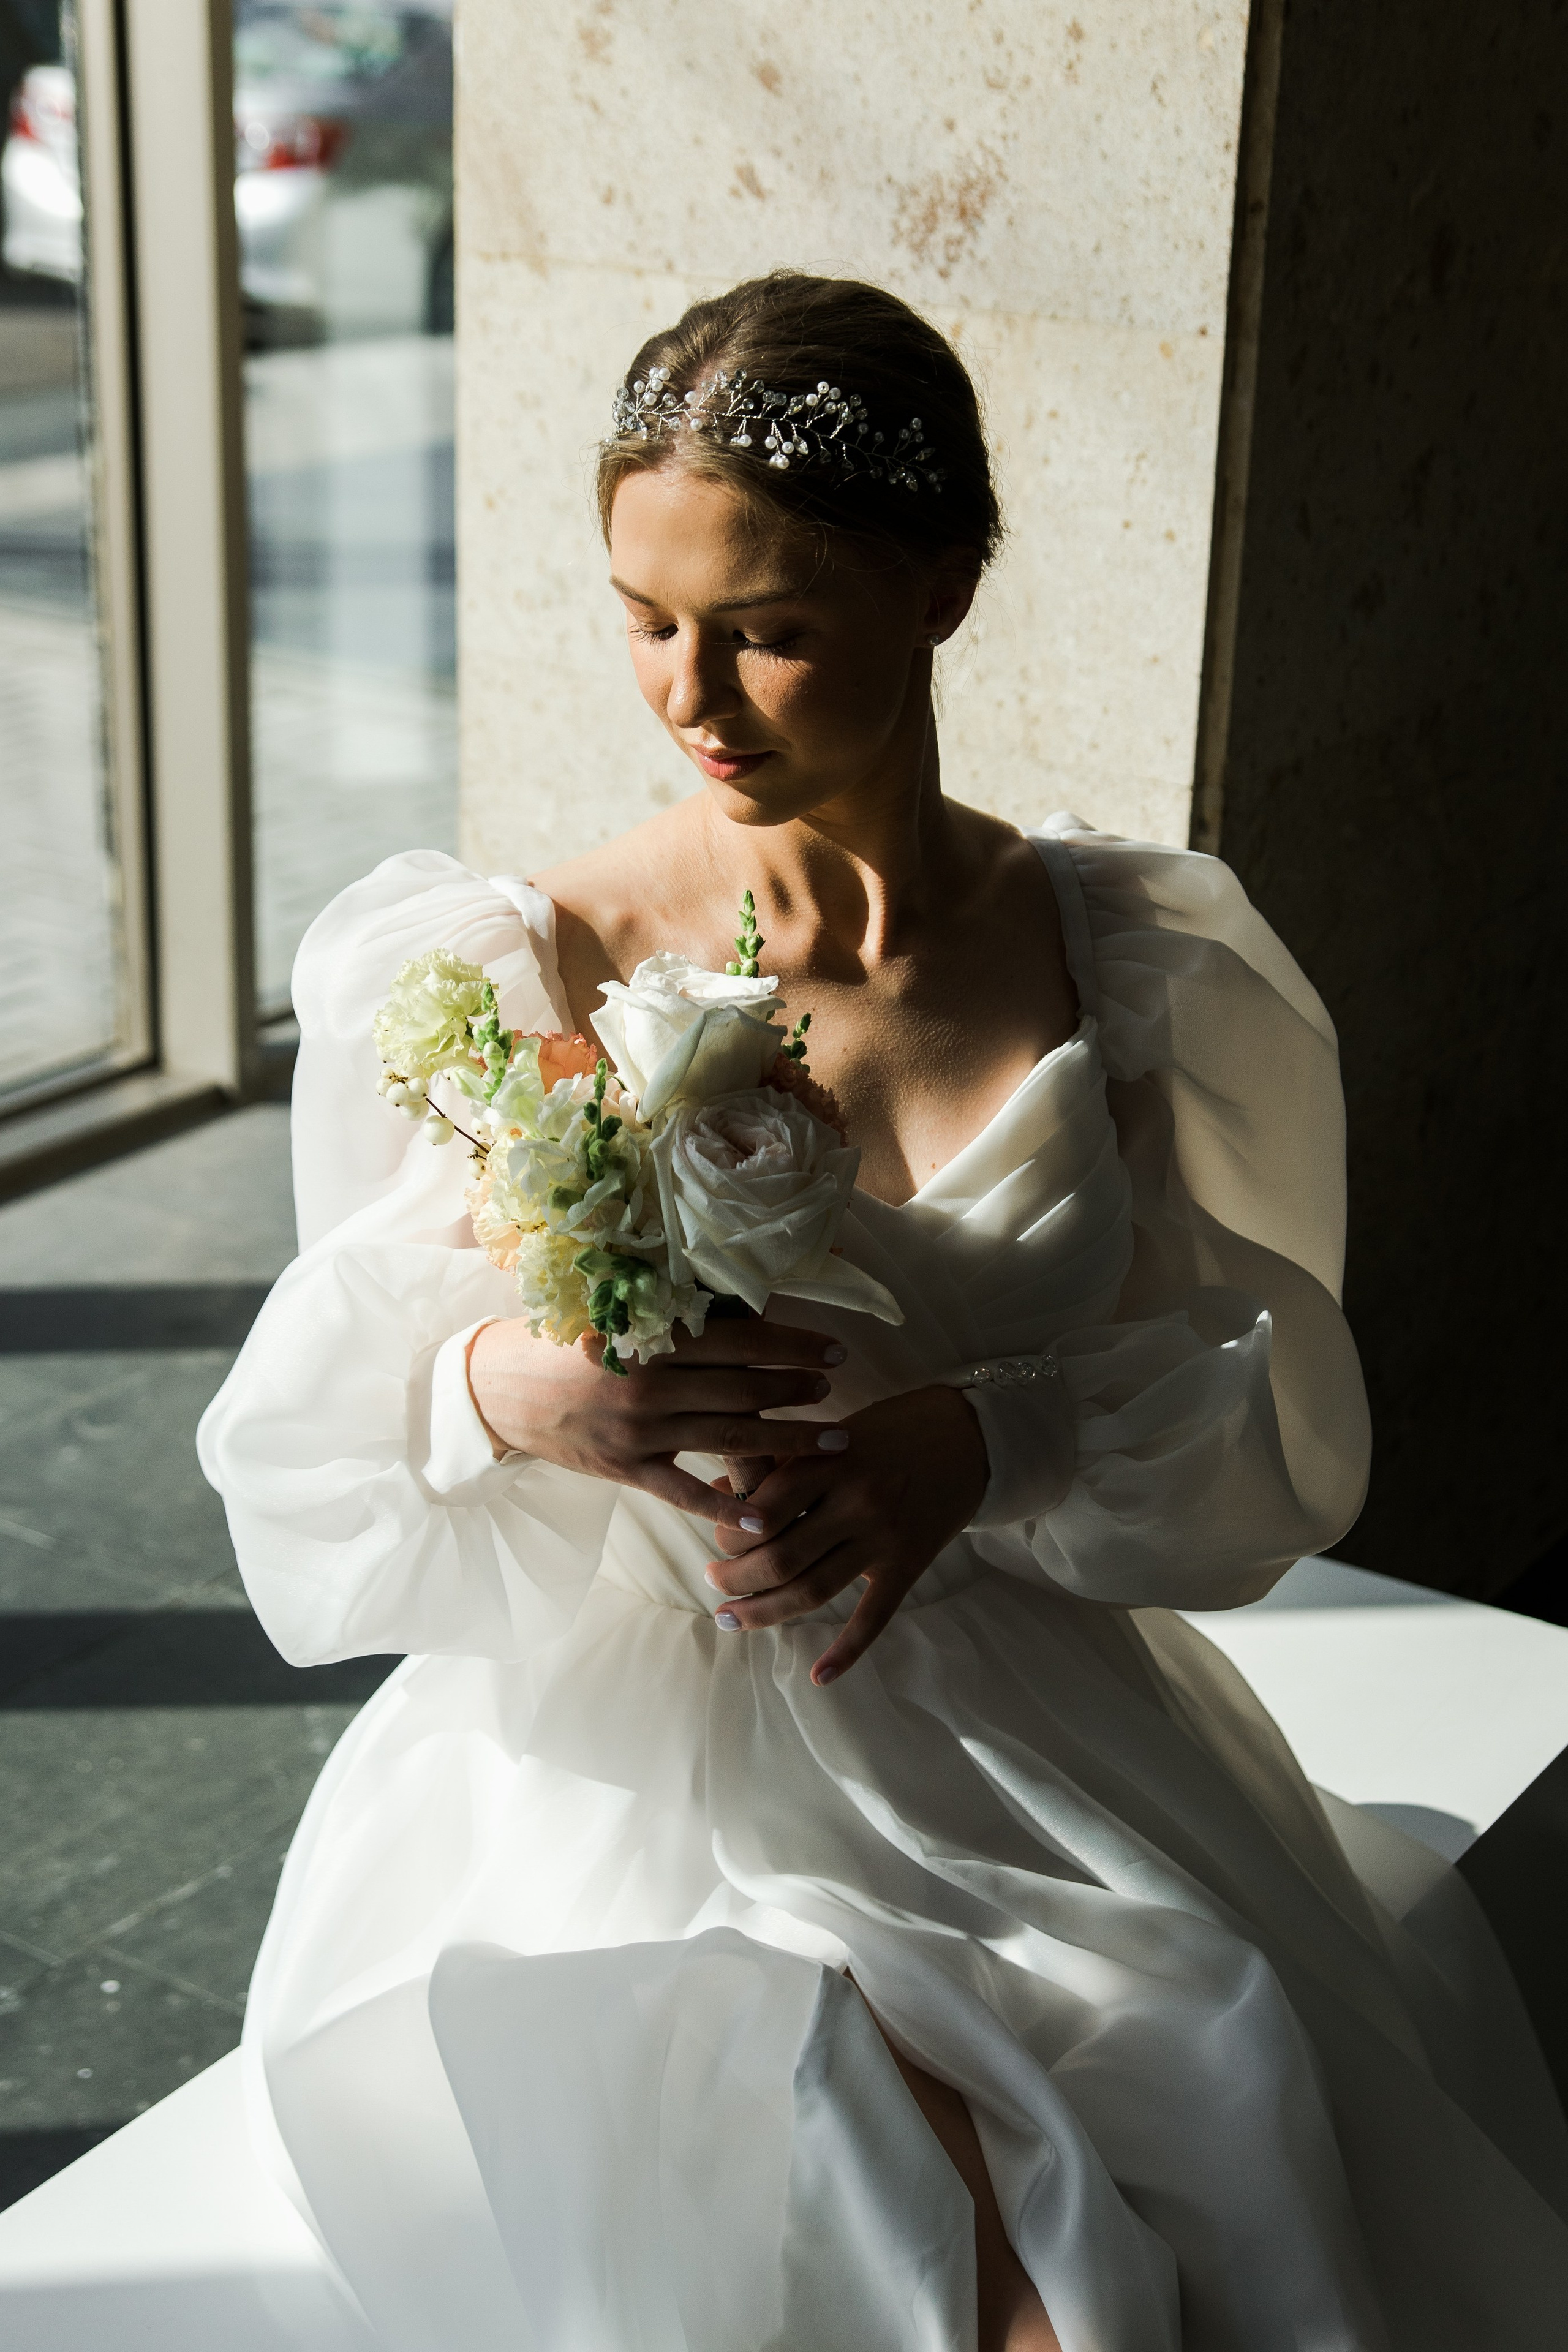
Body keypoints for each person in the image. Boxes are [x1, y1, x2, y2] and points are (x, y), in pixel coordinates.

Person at [200, 273, 1568, 2352]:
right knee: (970, 2241)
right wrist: (514, 1386)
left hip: (1015, 1730)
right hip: (643, 1773)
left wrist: (991, 1440)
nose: (692, 695)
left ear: (944, 587)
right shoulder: (508, 965)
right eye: (645, 614)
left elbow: (1255, 1384)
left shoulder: (1134, 959)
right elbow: (316, 1421)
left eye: (766, 626)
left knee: (1194, 2106)